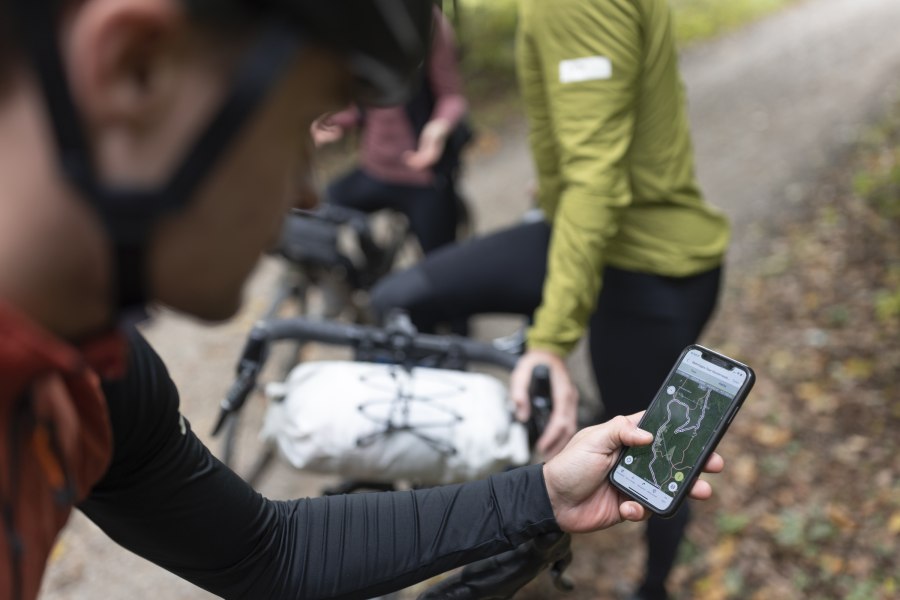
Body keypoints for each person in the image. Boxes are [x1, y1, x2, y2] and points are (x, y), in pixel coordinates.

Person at [0, 1, 726, 600]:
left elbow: (267, 551)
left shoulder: (95, 376)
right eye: (299, 125)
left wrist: (538, 497)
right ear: (133, 69)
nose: (310, 190)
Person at [369, 1, 731, 598]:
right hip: (590, 233)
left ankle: (654, 588)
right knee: (401, 298)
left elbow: (595, 178)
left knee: (657, 467)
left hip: (644, 265)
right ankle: (473, 458)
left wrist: (551, 341)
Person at [311, 4, 470, 256]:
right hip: (375, 168)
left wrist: (438, 129)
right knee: (325, 211)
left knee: (441, 264)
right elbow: (365, 101)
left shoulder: (426, 22)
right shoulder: (357, 22)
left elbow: (452, 97)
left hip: (423, 176)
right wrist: (336, 122)